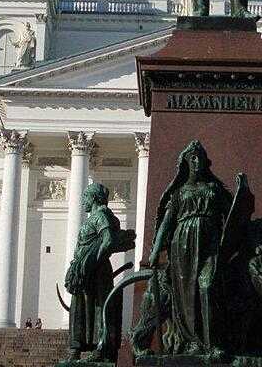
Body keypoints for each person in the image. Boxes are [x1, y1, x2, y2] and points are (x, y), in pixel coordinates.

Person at [149, 140, 233, 357]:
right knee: (187, 294)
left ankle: (212, 341)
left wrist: (241, 194)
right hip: (183, 244)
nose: (196, 161)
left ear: (207, 161)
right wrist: (156, 249)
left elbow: (232, 215)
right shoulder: (179, 192)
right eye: (192, 157)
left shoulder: (214, 189)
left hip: (210, 244)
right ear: (185, 162)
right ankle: (192, 340)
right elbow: (167, 222)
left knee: (208, 286)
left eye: (200, 157)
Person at [64, 183, 136, 361]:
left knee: (98, 307)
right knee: (80, 308)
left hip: (95, 270)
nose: (82, 202)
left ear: (94, 198)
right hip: (85, 270)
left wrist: (93, 261)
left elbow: (108, 240)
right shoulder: (94, 217)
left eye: (85, 198)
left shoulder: (101, 215)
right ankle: (76, 347)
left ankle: (99, 348)